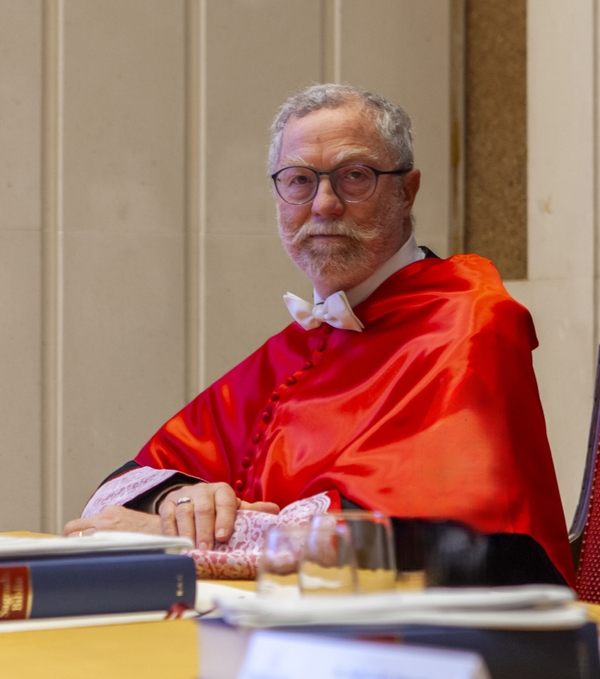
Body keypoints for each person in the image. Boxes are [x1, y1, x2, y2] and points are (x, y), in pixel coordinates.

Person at [64, 84, 575, 587]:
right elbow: (114, 495)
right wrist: (181, 504)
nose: (324, 203)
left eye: (355, 177)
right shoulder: (299, 345)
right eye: (299, 180)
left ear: (407, 190)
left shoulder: (472, 319)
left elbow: (407, 540)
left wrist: (180, 540)